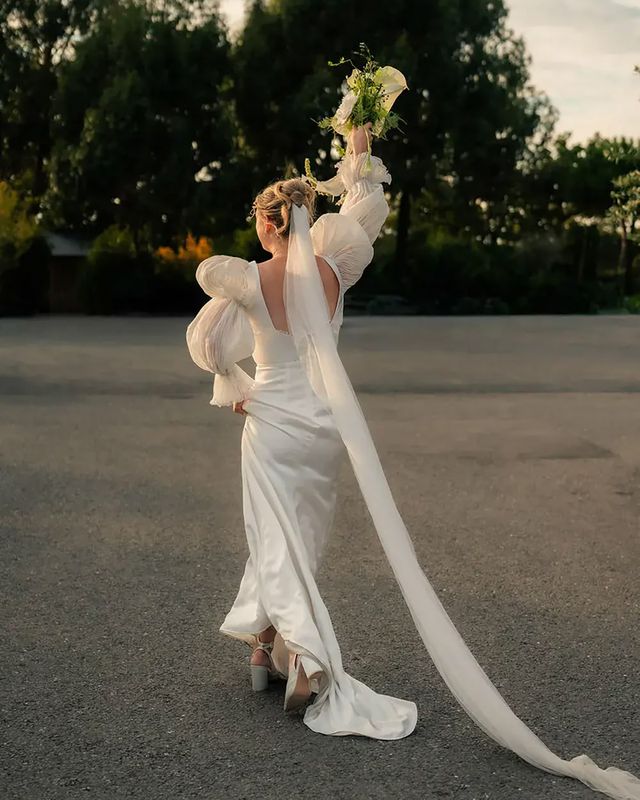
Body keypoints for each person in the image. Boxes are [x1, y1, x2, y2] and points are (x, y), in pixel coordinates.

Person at [186, 126, 640, 796]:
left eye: (257, 217)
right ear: (306, 219)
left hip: (273, 423)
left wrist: (237, 386)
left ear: (268, 222)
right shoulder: (334, 272)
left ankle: (303, 657)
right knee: (299, 541)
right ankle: (267, 647)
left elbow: (206, 343)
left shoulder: (246, 279)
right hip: (322, 428)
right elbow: (365, 207)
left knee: (272, 537)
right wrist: (357, 150)